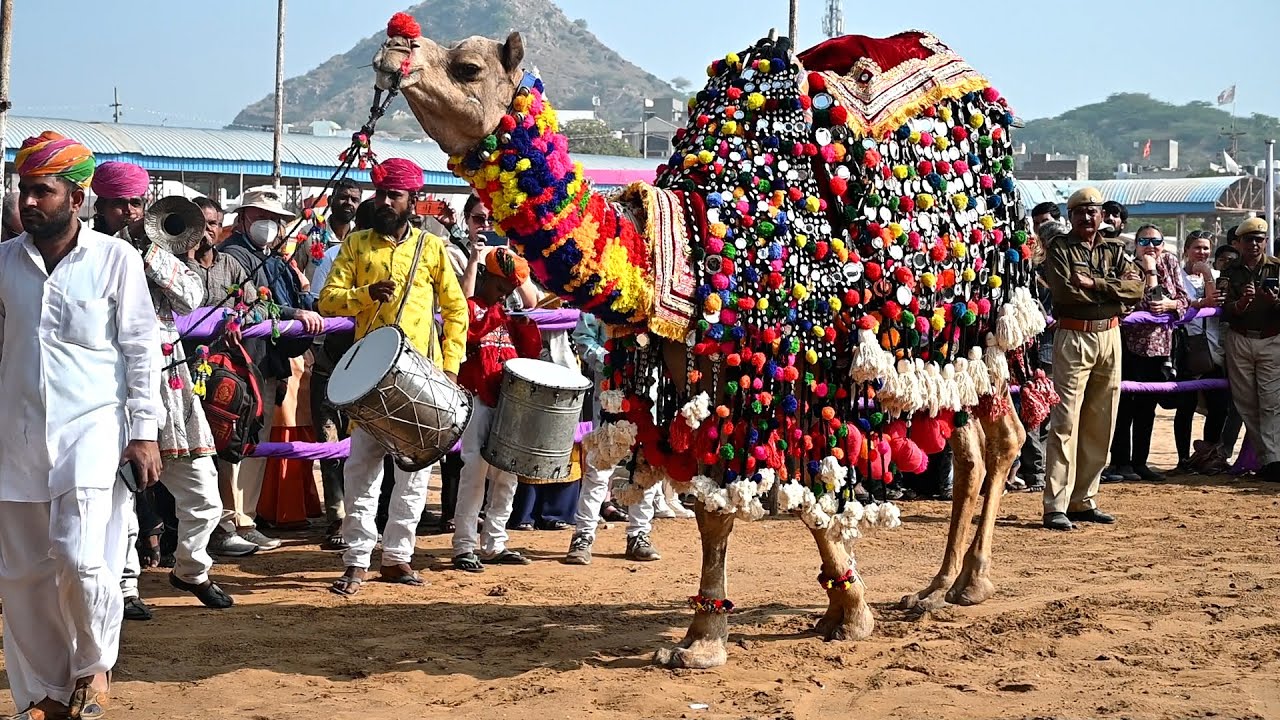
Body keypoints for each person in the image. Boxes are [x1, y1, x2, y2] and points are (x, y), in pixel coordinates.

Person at [0, 131, 163, 720]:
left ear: (78, 195)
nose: (30, 202)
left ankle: (92, 668)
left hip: (94, 432)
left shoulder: (115, 260)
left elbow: (142, 348)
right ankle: (44, 690)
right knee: (21, 574)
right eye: (24, 190)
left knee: (79, 559)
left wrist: (145, 431)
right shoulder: (5, 263)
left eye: (43, 190)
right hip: (15, 436)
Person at [90, 161, 236, 618]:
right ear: (100, 205)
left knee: (204, 494)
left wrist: (148, 251)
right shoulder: (89, 253)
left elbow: (192, 297)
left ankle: (191, 570)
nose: (129, 212)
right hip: (112, 386)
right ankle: (126, 585)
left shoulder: (157, 250)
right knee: (121, 497)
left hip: (169, 387)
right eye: (119, 204)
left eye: (136, 203)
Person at [317, 158, 468, 594]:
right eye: (380, 193)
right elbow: (328, 300)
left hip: (423, 379)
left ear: (412, 201)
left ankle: (398, 557)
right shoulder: (357, 245)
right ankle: (357, 560)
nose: (384, 201)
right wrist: (365, 295)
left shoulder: (433, 247)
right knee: (362, 470)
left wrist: (450, 369)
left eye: (393, 195)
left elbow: (456, 309)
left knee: (415, 473)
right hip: (371, 379)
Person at [215, 187, 324, 552]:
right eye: (261, 217)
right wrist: (294, 314)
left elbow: (294, 299)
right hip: (240, 363)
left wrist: (307, 304)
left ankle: (246, 519)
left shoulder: (275, 262)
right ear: (243, 218)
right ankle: (232, 521)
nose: (269, 225)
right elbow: (249, 307)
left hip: (267, 363)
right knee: (234, 440)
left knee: (255, 441)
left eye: (275, 220)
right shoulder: (233, 257)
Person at [1040, 187, 1144, 531]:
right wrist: (1112, 289)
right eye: (1080, 211)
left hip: (1110, 335)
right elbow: (1067, 292)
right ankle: (1055, 503)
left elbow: (1137, 289)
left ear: (1101, 215)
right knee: (1065, 422)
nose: (1087, 216)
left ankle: (1083, 500)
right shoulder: (1059, 249)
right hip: (1073, 335)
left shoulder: (1115, 248)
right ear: (1069, 217)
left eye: (1093, 210)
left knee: (1102, 421)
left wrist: (1096, 284)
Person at [450, 247, 545, 572]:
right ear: (487, 278)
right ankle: (464, 545)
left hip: (506, 401)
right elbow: (469, 332)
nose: (503, 295)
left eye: (507, 291)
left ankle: (495, 542)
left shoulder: (506, 314)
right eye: (500, 288)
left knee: (507, 473)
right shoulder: (473, 308)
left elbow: (529, 352)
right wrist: (499, 313)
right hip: (477, 397)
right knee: (475, 470)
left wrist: (525, 323)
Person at [563, 311, 665, 564]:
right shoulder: (600, 302)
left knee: (647, 465)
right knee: (599, 467)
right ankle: (583, 534)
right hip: (611, 394)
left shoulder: (656, 302)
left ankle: (639, 534)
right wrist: (613, 361)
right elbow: (583, 340)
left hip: (649, 394)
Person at [301, 178, 364, 549]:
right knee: (329, 441)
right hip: (327, 357)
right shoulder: (317, 245)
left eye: (355, 199)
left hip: (363, 363)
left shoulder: (363, 247)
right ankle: (336, 516)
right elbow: (314, 302)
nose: (349, 203)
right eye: (344, 197)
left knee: (364, 444)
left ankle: (361, 514)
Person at [1103, 225, 1188, 483]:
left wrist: (1171, 304)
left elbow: (1183, 299)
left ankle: (1140, 461)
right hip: (1128, 344)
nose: (1151, 245)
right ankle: (1120, 462)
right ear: (1136, 244)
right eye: (1144, 241)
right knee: (1123, 407)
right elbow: (1143, 301)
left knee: (1147, 408)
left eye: (1156, 240)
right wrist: (1150, 270)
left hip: (1160, 346)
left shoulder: (1171, 263)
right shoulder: (1128, 265)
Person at [1219, 217, 1280, 482]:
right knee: (1246, 403)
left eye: (1259, 239)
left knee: (1271, 403)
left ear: (1265, 241)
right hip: (1240, 338)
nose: (1254, 244)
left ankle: (1273, 460)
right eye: (1248, 239)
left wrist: (1276, 302)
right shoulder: (1230, 271)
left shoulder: (1278, 268)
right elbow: (1223, 307)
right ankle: (1268, 458)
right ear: (1239, 243)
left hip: (1271, 339)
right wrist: (1240, 305)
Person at [1172, 231, 1230, 475]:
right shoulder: (1177, 278)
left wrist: (1207, 274)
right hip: (1187, 348)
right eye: (1197, 247)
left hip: (1215, 349)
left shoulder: (1218, 276)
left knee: (1218, 407)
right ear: (1186, 249)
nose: (1202, 253)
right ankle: (1183, 459)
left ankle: (1208, 456)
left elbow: (1216, 302)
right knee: (1184, 407)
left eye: (1206, 248)